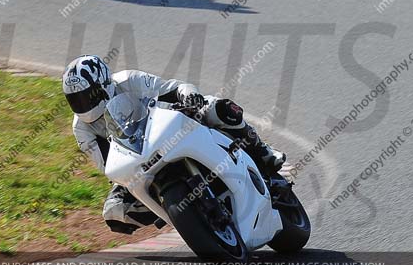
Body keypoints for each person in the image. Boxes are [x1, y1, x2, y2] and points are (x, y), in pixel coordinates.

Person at [61, 55, 286, 234]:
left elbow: (173, 88)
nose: (82, 105)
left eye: (86, 96)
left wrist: (189, 96)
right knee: (115, 212)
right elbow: (105, 164)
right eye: (75, 100)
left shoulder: (128, 80)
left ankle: (261, 151)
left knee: (219, 108)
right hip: (136, 156)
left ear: (102, 85)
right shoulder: (80, 127)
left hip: (169, 127)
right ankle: (172, 212)